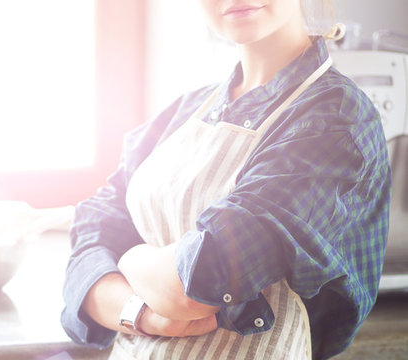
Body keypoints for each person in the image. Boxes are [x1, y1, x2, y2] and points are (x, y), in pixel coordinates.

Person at [60, 0, 391, 359]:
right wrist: (142, 314)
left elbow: (201, 280)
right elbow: (92, 232)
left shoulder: (334, 119)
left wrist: (131, 256)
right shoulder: (188, 109)